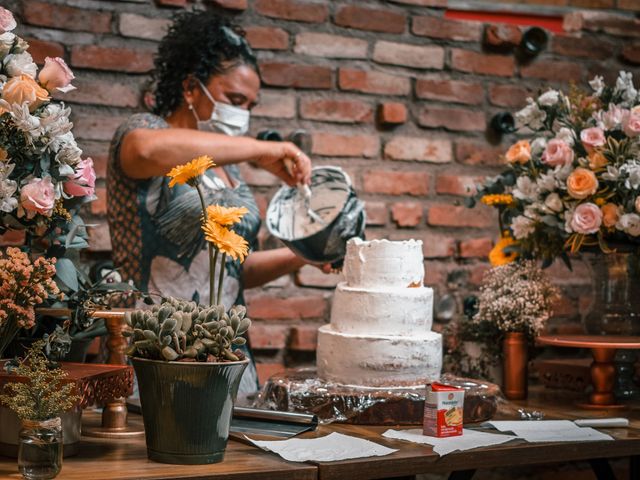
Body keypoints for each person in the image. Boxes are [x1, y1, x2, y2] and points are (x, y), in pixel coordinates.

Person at [107, 10, 324, 395]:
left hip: (228, 358)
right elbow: (145, 150)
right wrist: (259, 150)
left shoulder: (230, 174)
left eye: (249, 106)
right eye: (234, 99)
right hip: (157, 353)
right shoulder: (147, 134)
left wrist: (305, 253)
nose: (241, 114)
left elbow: (233, 269)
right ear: (191, 88)